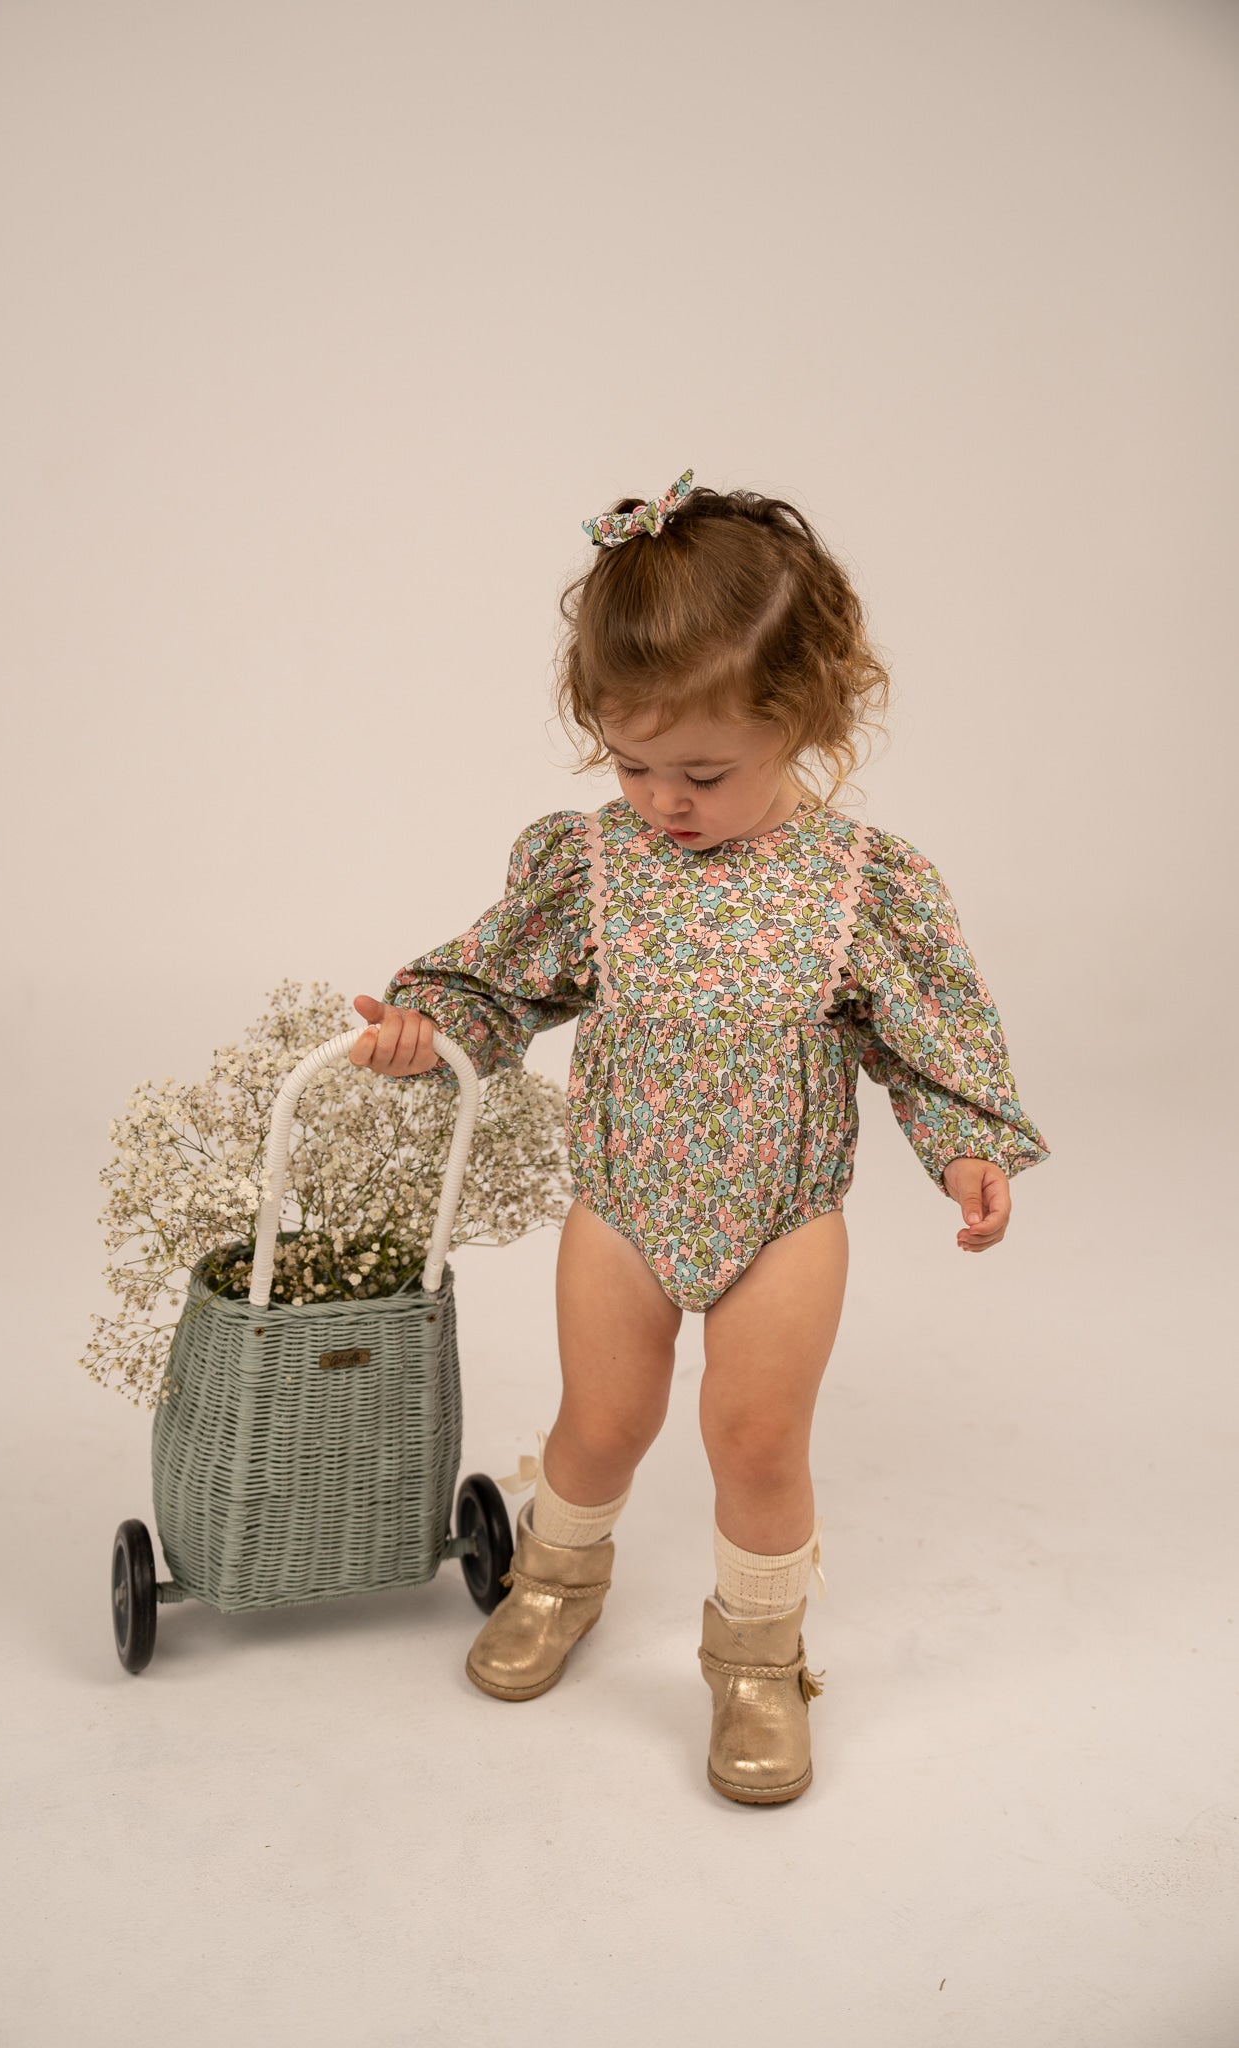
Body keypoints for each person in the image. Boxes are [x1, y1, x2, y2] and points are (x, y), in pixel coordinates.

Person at [348, 469, 1049, 1806]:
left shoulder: (859, 885)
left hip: (782, 1214)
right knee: (603, 1421)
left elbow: (924, 1036)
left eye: (704, 773)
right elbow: (499, 983)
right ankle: (558, 1578)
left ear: (803, 718)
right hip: (622, 1197)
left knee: (756, 1438)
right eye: (632, 765)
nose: (663, 799)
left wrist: (964, 1144)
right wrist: (425, 1030)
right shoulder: (593, 865)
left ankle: (759, 1659)